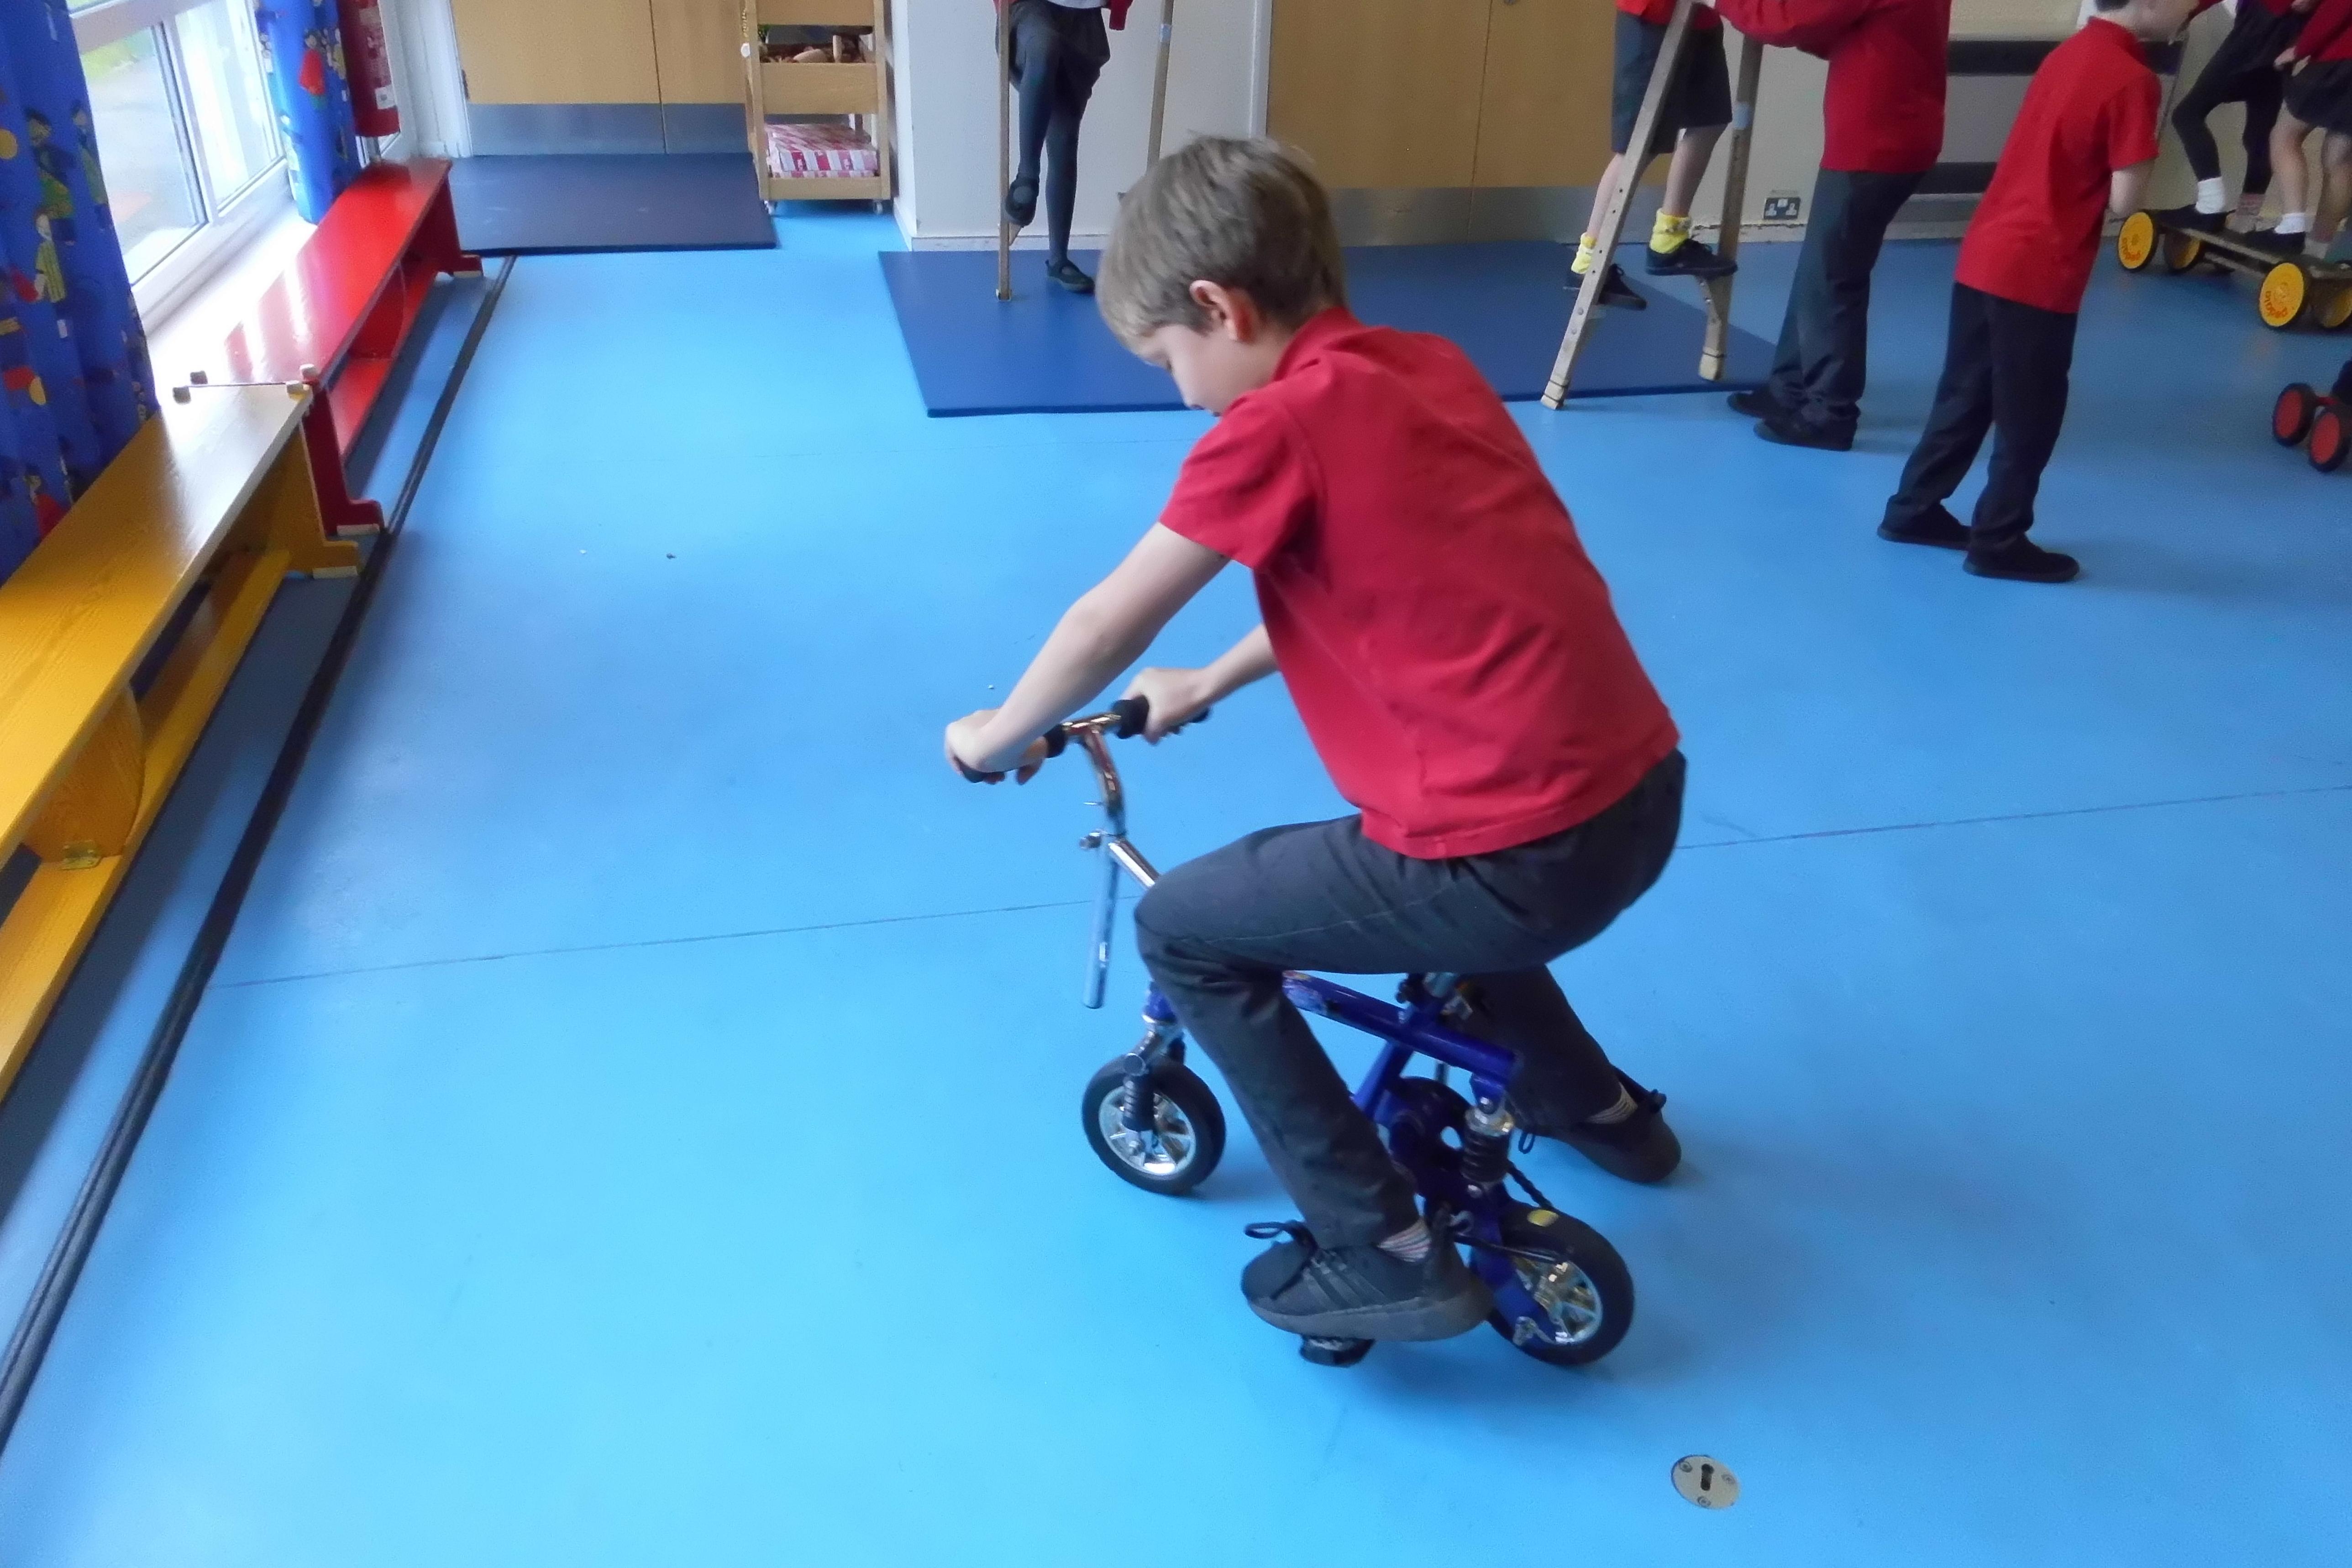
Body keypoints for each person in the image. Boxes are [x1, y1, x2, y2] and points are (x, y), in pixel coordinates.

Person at [945, 138, 1687, 1344]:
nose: (1181, 392)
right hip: (1638, 797)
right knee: (1444, 891)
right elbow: (1377, 585)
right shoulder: (1428, 368)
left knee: (1187, 927)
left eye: (1169, 360)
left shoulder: (1272, 426)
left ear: (1219, 307)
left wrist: (991, 737)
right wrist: (1211, 678)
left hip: (1516, 855)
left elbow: (1102, 626)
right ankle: (1599, 1110)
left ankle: (1377, 1248)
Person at [1877, 0, 2194, 584]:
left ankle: (1913, 508)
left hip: (1987, 250)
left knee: (1964, 394)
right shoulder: (2134, 80)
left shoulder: (2069, 53)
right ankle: (1998, 541)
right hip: (2039, 267)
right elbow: (2125, 200)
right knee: (2030, 414)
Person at [1705, 0, 1953, 451]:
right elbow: (1836, 27)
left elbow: (1791, 18)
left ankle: (1830, 413)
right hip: (1895, 130)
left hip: (1876, 141)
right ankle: (1790, 388)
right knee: (1820, 269)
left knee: (1833, 277)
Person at [1573, 0, 1743, 306]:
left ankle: (1669, 238)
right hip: (1655, 15)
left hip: (1701, 18)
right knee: (1641, 144)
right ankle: (1589, 261)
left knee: (1709, 120)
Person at [998, 0, 1130, 294]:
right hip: (1032, 9)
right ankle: (1027, 177)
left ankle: (1059, 259)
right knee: (1043, 48)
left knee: (1065, 138)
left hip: (1084, 18)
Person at [2158, 0, 2314, 235]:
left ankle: (2211, 204)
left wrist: (2192, 12)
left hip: (2259, 25)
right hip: (2288, 33)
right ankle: (2245, 222)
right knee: (2259, 137)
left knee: (2187, 114)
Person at [2260, 0, 2352, 257]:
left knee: (2284, 135)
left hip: (2342, 60)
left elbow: (2338, 6)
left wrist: (2300, 49)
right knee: (2340, 160)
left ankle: (2292, 227)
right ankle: (2317, 250)